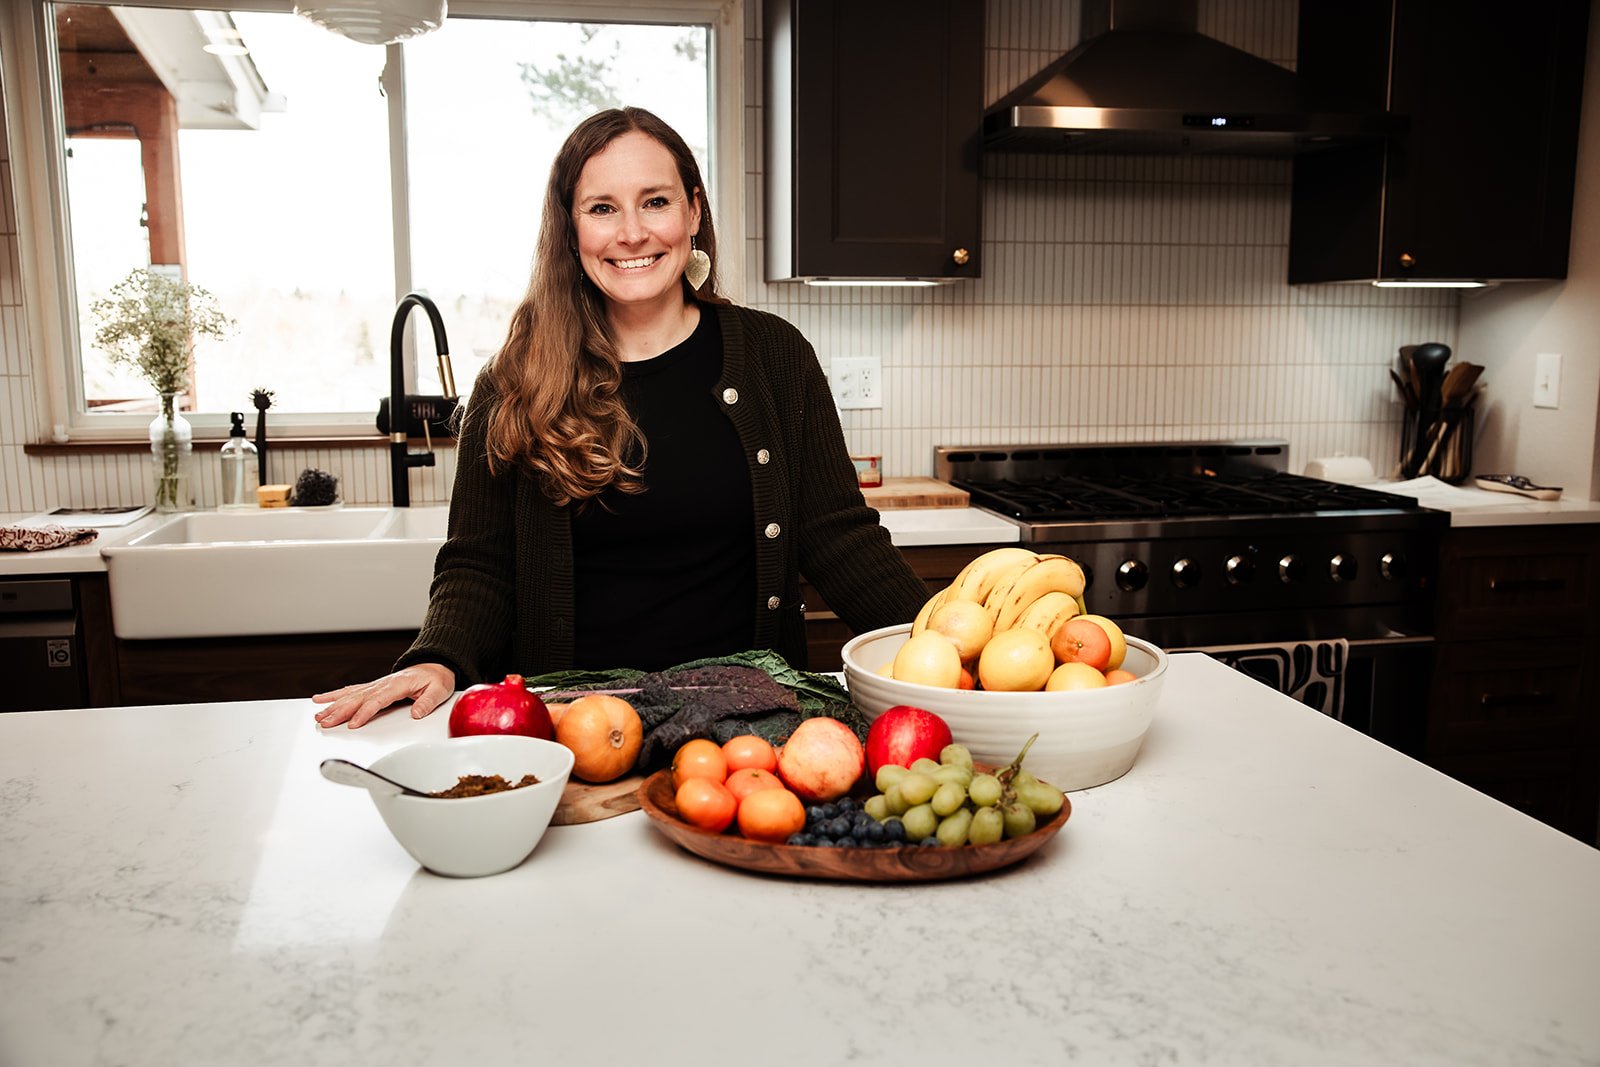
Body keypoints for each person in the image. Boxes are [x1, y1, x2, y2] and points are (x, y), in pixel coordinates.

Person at [313, 107, 928, 729]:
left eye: (654, 201)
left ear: (692, 211)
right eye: (602, 208)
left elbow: (839, 536)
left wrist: (941, 649)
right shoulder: (513, 381)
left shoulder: (775, 357)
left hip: (748, 727)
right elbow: (480, 561)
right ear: (570, 227)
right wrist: (438, 657)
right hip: (576, 728)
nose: (632, 233)